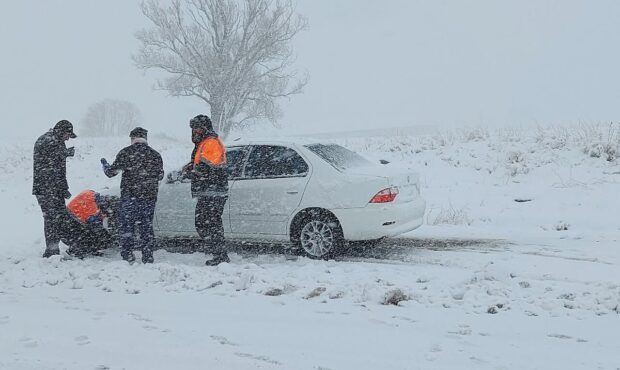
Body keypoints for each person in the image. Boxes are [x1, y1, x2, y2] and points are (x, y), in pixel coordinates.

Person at [101, 127, 164, 264]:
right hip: (149, 197)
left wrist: (105, 165)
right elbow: (160, 175)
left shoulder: (126, 153)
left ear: (132, 138)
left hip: (130, 196)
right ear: (146, 138)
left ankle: (127, 254)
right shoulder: (155, 155)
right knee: (146, 226)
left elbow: (111, 173)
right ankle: (147, 255)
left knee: (127, 226)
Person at [184, 114, 230, 266]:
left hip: (213, 191)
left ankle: (220, 254)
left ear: (203, 128)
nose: (193, 131)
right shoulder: (204, 143)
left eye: (196, 128)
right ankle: (217, 251)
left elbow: (210, 168)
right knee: (207, 223)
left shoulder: (210, 143)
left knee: (209, 223)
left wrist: (192, 173)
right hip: (209, 191)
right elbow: (202, 164)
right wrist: (191, 167)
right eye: (192, 129)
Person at [32, 120, 77, 258]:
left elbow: (58, 169)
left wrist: (63, 188)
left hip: (52, 188)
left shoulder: (54, 140)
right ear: (61, 131)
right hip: (47, 189)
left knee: (59, 217)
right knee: (52, 218)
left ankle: (69, 245)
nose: (68, 138)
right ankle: (52, 250)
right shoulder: (49, 140)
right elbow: (51, 165)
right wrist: (65, 153)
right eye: (68, 134)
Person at [64, 189, 117, 258]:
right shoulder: (93, 212)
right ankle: (78, 249)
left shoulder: (90, 194)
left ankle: (80, 247)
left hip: (64, 225)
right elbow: (97, 229)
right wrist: (112, 240)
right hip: (71, 232)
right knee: (101, 238)